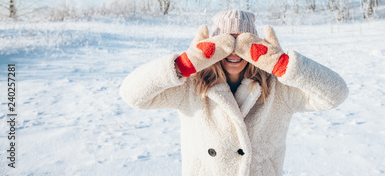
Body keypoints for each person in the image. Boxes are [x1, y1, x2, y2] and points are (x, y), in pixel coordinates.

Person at [119, 10, 348, 176]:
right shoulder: (190, 86)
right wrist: (184, 64)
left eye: (243, 41)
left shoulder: (278, 88)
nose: (235, 50)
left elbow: (336, 94)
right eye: (228, 41)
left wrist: (284, 65)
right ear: (213, 45)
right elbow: (132, 94)